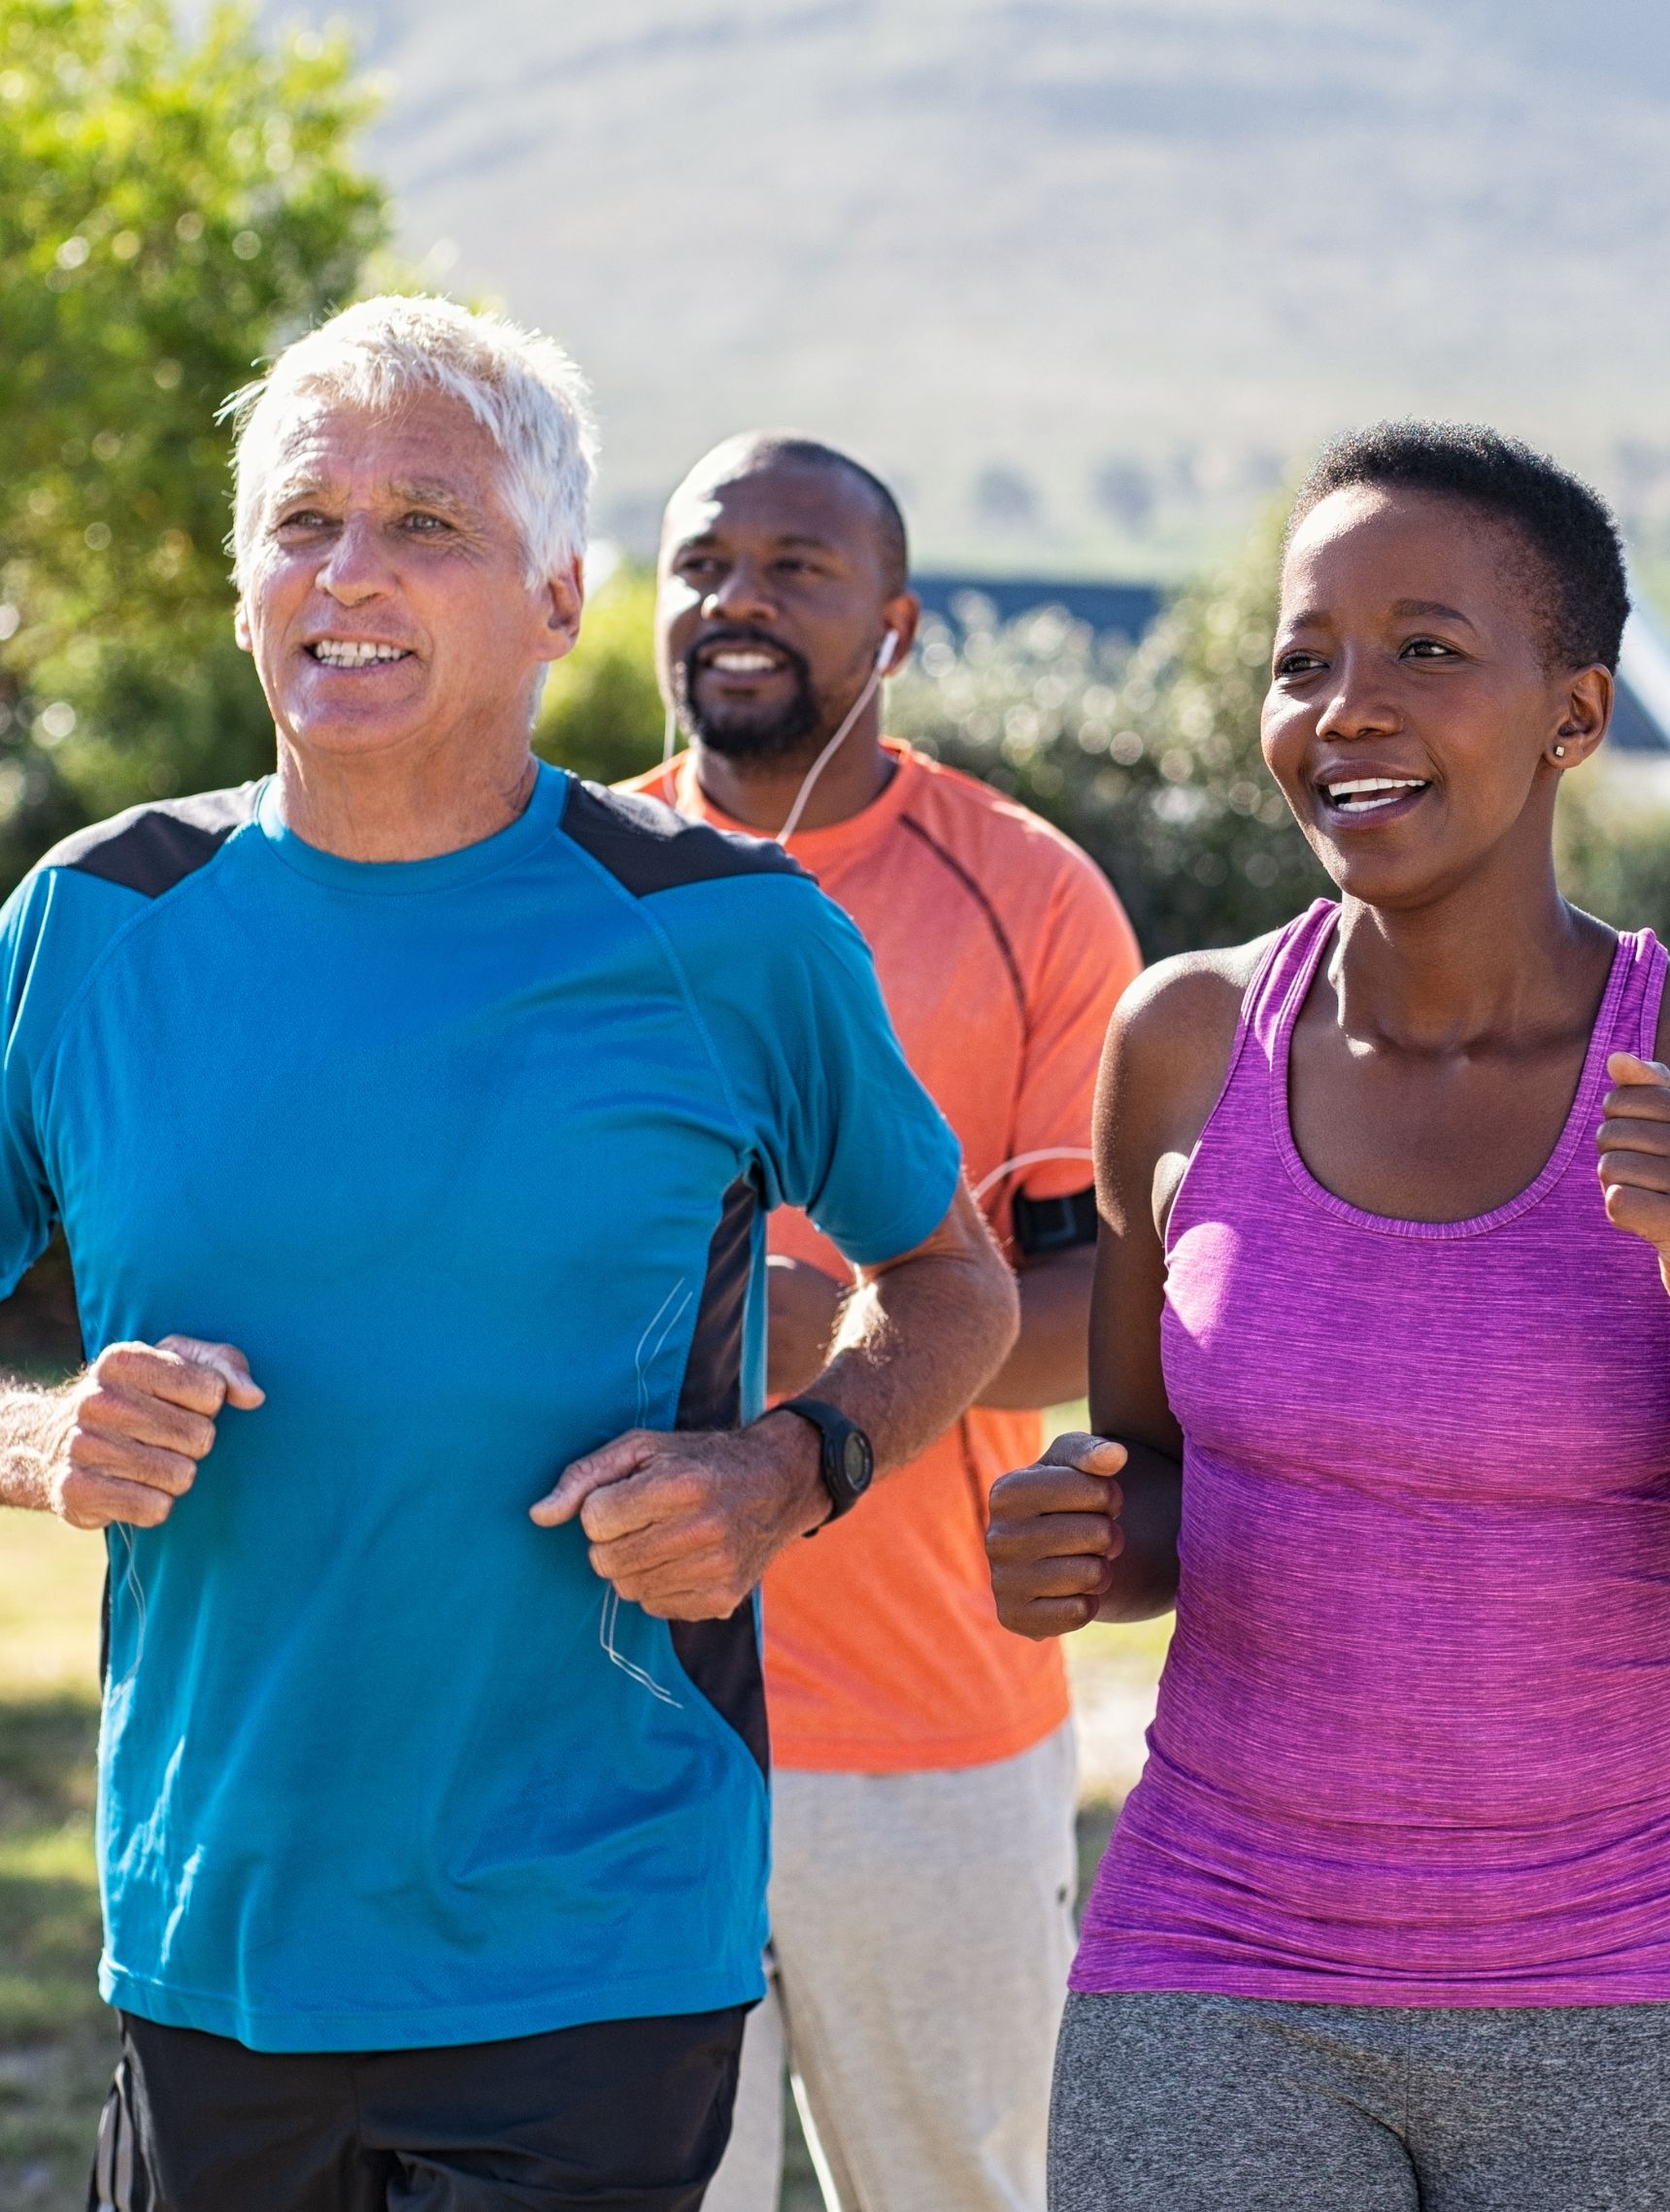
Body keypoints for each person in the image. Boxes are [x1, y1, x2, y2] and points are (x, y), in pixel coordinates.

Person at [0, 295, 1019, 2212]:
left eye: (425, 523)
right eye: (303, 523)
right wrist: (45, 1438)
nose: (349, 572)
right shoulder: (89, 922)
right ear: (243, 588)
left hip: (597, 1936)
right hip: (213, 1930)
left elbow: (953, 1278)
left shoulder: (728, 934)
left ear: (558, 599)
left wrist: (789, 1466)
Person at [985, 422, 1670, 2212]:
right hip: (1215, 1966)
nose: (1345, 707)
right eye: (1304, 659)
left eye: (1425, 649)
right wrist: (1079, 1534)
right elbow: (1155, 1495)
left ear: (1574, 714)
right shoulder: (1182, 1043)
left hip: (1632, 2003)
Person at [626, 433, 1141, 2212]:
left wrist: (836, 1337)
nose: (739, 599)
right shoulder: (553, 882)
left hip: (930, 1726)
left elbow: (1108, 1307)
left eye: (797, 567)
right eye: (705, 563)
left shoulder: (1031, 893)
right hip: (604, 1721)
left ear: (897, 626)